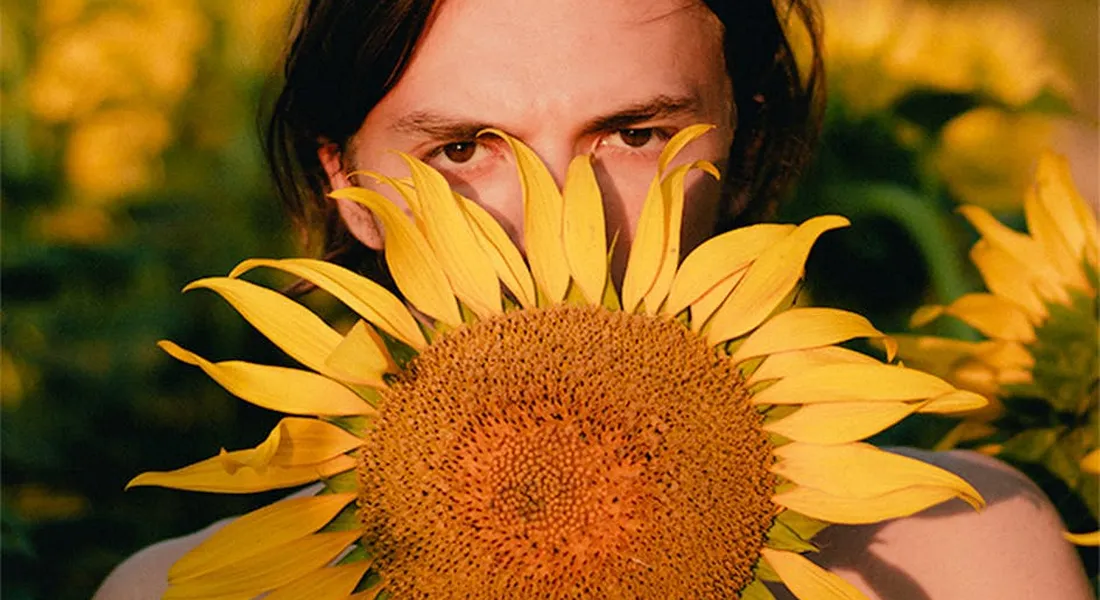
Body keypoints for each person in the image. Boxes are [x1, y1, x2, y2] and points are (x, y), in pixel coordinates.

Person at [95, 0, 1092, 598]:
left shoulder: (963, 556)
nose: (559, 211)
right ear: (345, 187)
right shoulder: (178, 594)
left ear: (736, 147)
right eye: (462, 148)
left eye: (633, 134)